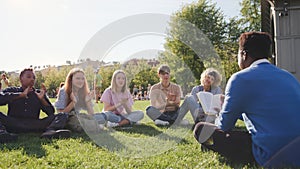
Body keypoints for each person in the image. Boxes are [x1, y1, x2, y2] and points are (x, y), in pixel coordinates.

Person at [193, 32, 300, 167]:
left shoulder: (239, 79)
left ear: (243, 54)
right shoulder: (288, 76)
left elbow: (224, 126)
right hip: (296, 150)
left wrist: (221, 110)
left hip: (269, 153)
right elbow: (266, 113)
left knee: (200, 129)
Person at [0, 68, 70, 142]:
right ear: (21, 79)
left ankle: (50, 131)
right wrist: (20, 95)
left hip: (34, 125)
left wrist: (42, 99)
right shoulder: (12, 90)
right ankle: (2, 133)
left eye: (34, 77)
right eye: (29, 77)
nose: (32, 79)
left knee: (62, 115)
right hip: (13, 124)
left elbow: (51, 112)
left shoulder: (38, 93)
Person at [54, 68, 96, 132]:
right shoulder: (64, 91)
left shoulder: (83, 91)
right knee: (80, 123)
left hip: (77, 116)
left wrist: (87, 101)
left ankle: (91, 125)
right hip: (66, 118)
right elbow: (61, 113)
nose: (81, 81)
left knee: (95, 119)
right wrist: (73, 102)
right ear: (71, 80)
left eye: (82, 79)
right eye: (77, 78)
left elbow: (91, 114)